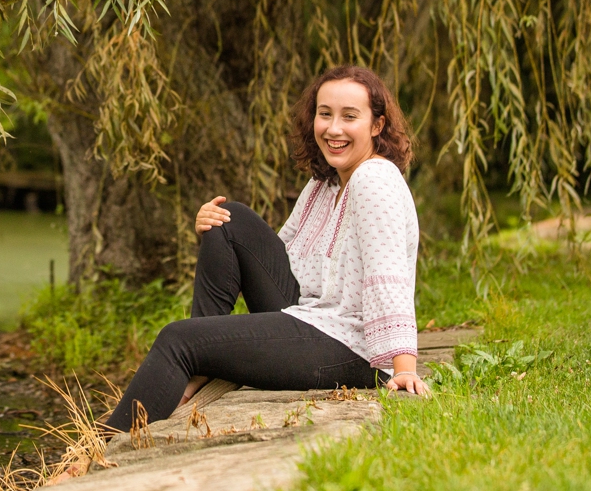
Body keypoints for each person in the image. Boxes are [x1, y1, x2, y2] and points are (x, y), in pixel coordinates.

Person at [103, 64, 429, 433]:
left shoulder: (375, 179)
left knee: (179, 339)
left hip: (352, 350)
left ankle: (103, 449)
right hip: (312, 316)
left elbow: (388, 279)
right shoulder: (324, 185)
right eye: (325, 114)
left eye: (349, 117)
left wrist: (403, 369)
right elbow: (280, 257)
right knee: (227, 218)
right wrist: (210, 224)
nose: (333, 129)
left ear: (377, 125)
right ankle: (201, 366)